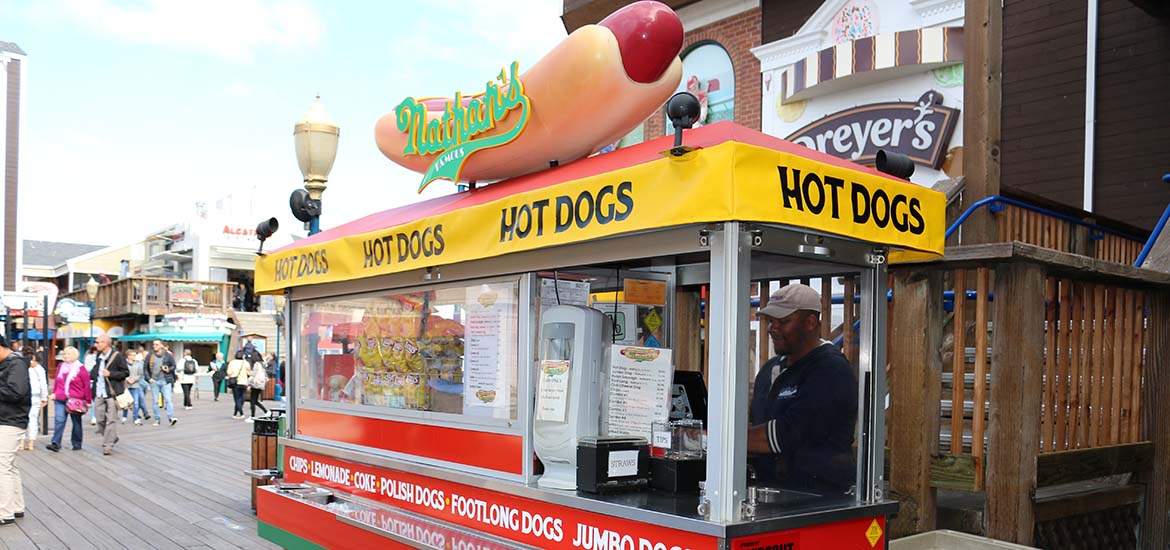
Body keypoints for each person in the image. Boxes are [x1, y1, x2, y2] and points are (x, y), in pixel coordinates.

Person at [747, 284, 857, 494]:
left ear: (810, 322)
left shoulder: (830, 370)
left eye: (783, 321)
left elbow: (787, 434)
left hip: (820, 501)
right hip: (774, 495)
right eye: (771, 321)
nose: (772, 328)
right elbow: (757, 424)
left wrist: (716, 439)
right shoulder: (771, 368)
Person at [0, 336, 30, 525]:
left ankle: (4, 512)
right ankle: (17, 507)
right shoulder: (8, 364)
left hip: (10, 421)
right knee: (9, 466)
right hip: (8, 419)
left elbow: (16, 392)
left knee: (1, 467)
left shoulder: (16, 364)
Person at [90, 334, 129, 455]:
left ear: (105, 343)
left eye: (98, 342)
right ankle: (112, 436)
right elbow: (95, 373)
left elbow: (125, 372)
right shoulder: (99, 357)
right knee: (99, 418)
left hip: (112, 392)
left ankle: (107, 445)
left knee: (111, 419)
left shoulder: (117, 356)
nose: (96, 345)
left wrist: (111, 374)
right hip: (99, 392)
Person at [47, 346, 90, 452]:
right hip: (60, 398)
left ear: (74, 355)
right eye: (65, 354)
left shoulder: (81, 368)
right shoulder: (61, 366)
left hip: (75, 400)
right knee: (59, 420)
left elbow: (87, 385)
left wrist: (88, 400)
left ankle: (77, 443)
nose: (65, 356)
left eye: (68, 354)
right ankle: (56, 443)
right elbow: (57, 381)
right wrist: (54, 393)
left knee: (76, 422)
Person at [144, 339, 178, 426]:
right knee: (155, 401)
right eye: (154, 344)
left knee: (168, 400)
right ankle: (157, 419)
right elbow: (145, 368)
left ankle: (171, 418)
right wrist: (148, 378)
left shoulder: (167, 355)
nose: (154, 346)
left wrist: (168, 369)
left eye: (156, 344)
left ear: (161, 345)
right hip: (154, 381)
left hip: (165, 380)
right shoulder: (150, 355)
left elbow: (174, 366)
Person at [21, 355, 47, 451]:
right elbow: (43, 383)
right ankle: (31, 442)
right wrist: (44, 397)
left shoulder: (22, 367)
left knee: (23, 419)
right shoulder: (39, 369)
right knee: (33, 419)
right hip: (35, 396)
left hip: (25, 396)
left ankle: (21, 442)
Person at [125, 349, 150, 425]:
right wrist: (127, 379)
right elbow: (122, 372)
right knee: (127, 402)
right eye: (133, 355)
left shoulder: (138, 363)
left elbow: (141, 374)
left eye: (135, 355)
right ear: (129, 356)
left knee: (137, 401)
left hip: (136, 385)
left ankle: (135, 417)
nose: (134, 356)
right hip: (127, 385)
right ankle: (124, 416)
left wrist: (134, 379)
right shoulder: (124, 363)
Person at [226, 351, 250, 419]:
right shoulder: (245, 363)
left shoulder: (232, 362)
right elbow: (249, 372)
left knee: (236, 399)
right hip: (244, 382)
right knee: (242, 398)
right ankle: (239, 413)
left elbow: (229, 372)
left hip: (235, 383)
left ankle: (236, 413)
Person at [247, 355, 269, 422]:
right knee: (255, 400)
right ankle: (266, 411)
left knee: (252, 401)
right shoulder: (263, 364)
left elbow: (254, 375)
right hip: (261, 384)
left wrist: (249, 384)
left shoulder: (256, 364)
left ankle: (252, 416)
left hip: (255, 384)